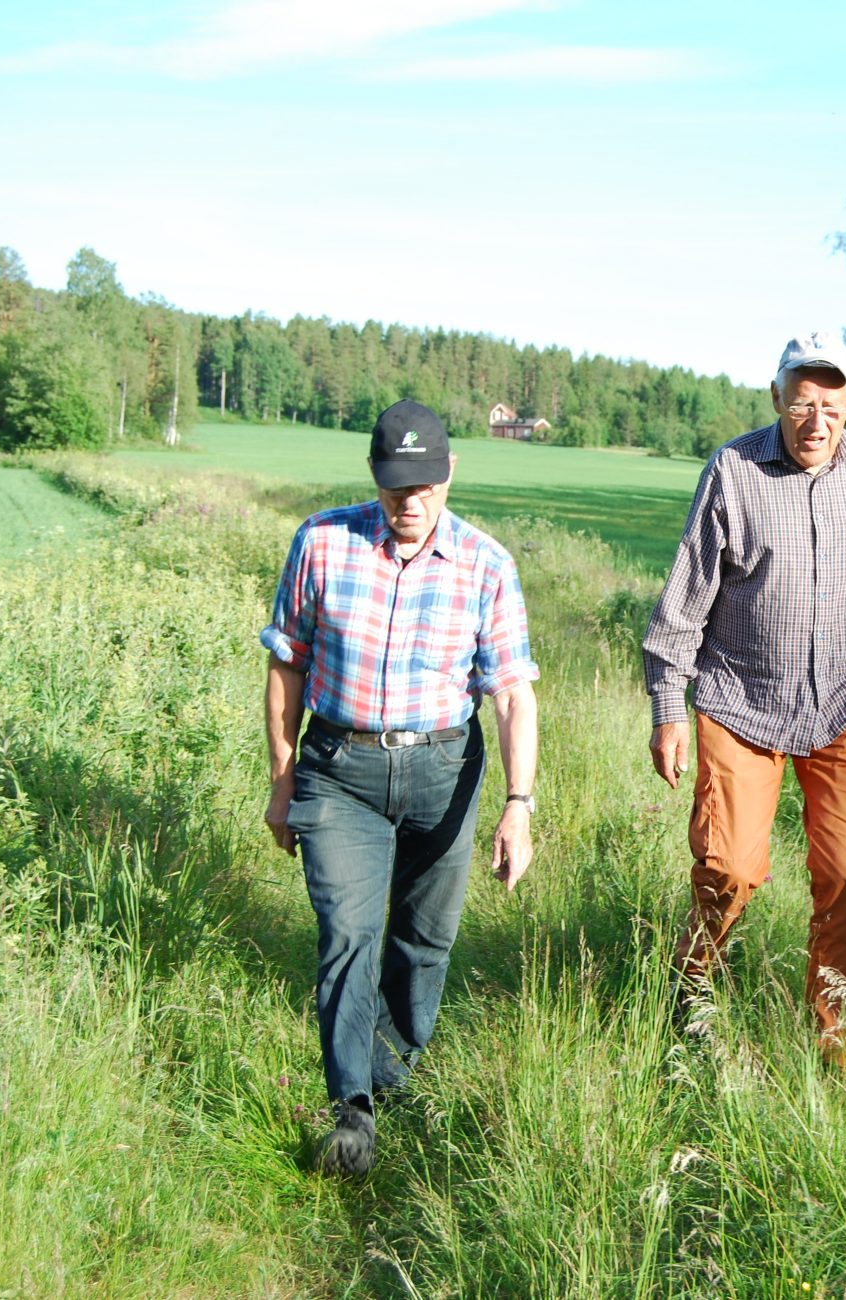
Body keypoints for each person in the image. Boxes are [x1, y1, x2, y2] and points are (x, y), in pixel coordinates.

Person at [261, 398, 539, 1177]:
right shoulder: (321, 542)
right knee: (348, 933)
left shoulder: (487, 565)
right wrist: (283, 784)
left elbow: (513, 693)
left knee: (424, 944)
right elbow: (286, 661)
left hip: (443, 772)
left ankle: (388, 1074)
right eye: (393, 489)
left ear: (449, 474)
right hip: (339, 770)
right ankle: (351, 1107)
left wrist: (520, 805)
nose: (407, 504)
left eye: (421, 487)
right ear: (374, 479)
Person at [642, 332, 846, 1067]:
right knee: (728, 868)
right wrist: (669, 706)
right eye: (802, 403)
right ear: (777, 400)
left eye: (831, 404)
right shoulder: (733, 470)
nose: (816, 420)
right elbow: (685, 596)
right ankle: (693, 987)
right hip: (742, 699)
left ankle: (840, 1043)